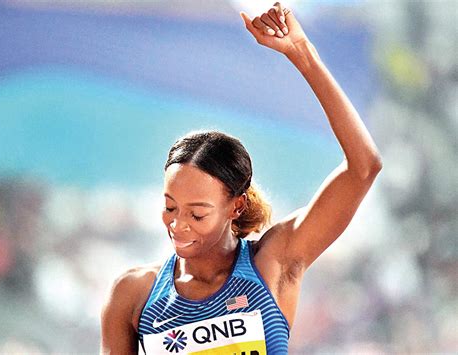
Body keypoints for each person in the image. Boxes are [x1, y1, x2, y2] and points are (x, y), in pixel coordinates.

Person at [100, 2, 383, 354]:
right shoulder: (133, 294)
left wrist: (302, 54)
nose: (178, 225)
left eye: (197, 214)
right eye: (171, 208)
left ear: (236, 207)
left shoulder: (274, 262)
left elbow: (363, 168)